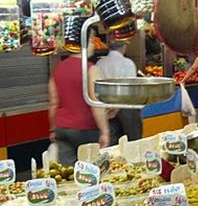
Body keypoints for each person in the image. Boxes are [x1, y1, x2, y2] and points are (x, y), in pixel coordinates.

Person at [48, 30, 109, 166]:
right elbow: (96, 103)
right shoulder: (91, 70)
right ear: (86, 42)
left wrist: (52, 128)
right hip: (86, 130)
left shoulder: (58, 69)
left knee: (68, 173)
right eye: (92, 39)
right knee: (89, 172)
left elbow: (53, 103)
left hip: (62, 129)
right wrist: (105, 131)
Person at [96, 37, 141, 144]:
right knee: (133, 143)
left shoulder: (100, 63)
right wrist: (116, 109)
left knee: (112, 144)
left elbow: (97, 89)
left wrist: (111, 109)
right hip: (126, 108)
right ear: (124, 46)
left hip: (107, 108)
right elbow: (129, 90)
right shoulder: (128, 63)